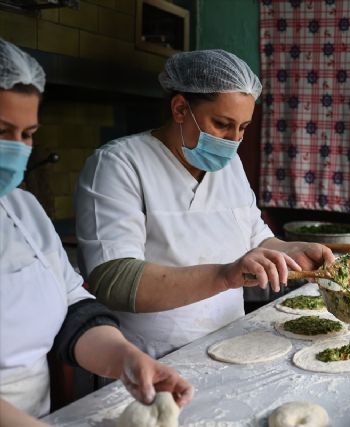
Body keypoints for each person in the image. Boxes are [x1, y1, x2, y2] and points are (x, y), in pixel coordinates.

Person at [74, 49, 335, 359]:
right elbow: (114, 282)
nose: (233, 140)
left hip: (230, 345)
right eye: (222, 123)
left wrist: (293, 250)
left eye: (243, 128)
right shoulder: (120, 164)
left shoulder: (230, 166)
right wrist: (224, 276)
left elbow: (256, 237)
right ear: (180, 108)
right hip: (149, 358)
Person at [0, 39, 193, 426]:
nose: (17, 149)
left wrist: (126, 358)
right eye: (2, 131)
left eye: (27, 134)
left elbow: (71, 309)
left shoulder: (22, 210)